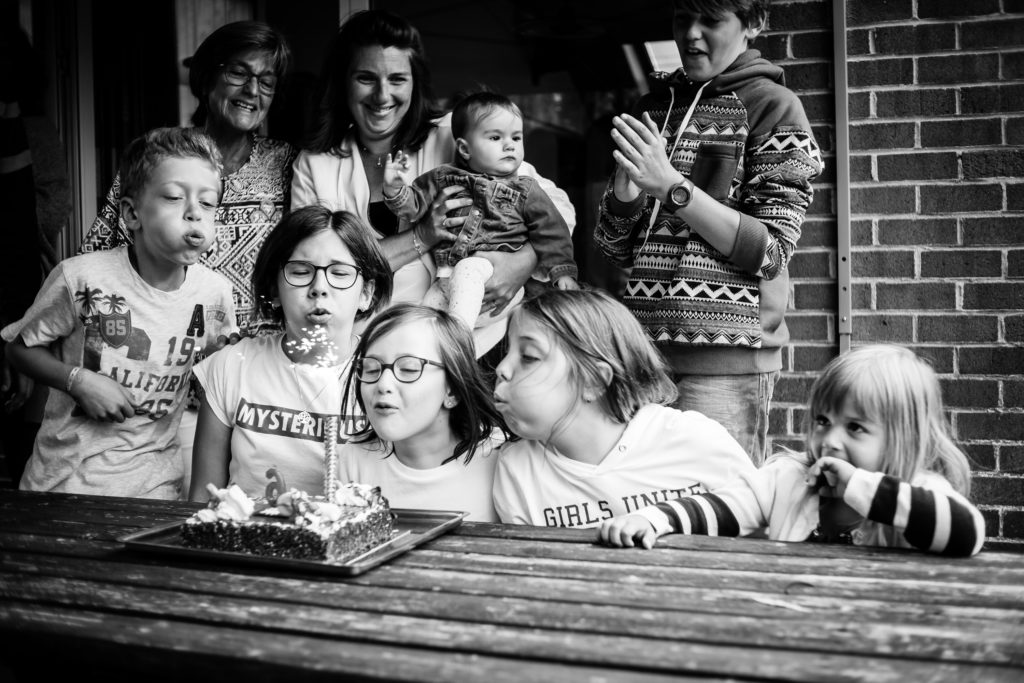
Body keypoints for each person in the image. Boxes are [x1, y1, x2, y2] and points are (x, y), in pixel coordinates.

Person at [594, 0, 823, 465]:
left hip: (726, 369)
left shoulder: (774, 107)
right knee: (647, 506)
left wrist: (672, 188)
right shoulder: (654, 107)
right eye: (682, 19)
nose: (692, 35)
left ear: (753, 24)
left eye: (711, 21)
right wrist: (624, 197)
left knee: (722, 511)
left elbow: (772, 252)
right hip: (643, 357)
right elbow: (616, 249)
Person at [290, 9, 576, 353]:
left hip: (475, 346)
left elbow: (555, 206)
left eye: (397, 79)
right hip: (361, 349)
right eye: (366, 78)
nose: (382, 96)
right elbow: (313, 265)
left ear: (415, 83)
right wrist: (421, 236)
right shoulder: (316, 164)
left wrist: (521, 262)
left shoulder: (451, 136)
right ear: (342, 82)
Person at [1, 127, 237, 498]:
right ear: (130, 213)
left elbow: (219, 381)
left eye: (208, 204)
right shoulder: (80, 276)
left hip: (154, 488)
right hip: (61, 483)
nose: (195, 214)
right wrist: (77, 380)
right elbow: (17, 348)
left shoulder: (216, 295)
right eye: (175, 197)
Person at [596, 345, 985, 557]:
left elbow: (968, 534)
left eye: (855, 428)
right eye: (822, 421)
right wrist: (653, 519)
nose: (830, 440)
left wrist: (860, 486)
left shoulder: (920, 490)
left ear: (904, 437)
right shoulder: (787, 479)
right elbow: (721, 508)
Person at [81, 20, 296, 334]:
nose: (252, 90)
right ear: (208, 77)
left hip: (255, 361)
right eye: (238, 73)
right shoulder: (157, 156)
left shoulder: (287, 162)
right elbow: (97, 260)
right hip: (163, 353)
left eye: (267, 81)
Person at [491, 289, 755, 528]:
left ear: (594, 381)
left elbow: (761, 513)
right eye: (507, 351)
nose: (501, 368)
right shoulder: (517, 471)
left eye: (528, 356)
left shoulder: (694, 439)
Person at [189, 206, 392, 501]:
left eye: (339, 273)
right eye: (300, 272)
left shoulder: (387, 378)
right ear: (273, 289)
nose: (319, 288)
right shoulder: (230, 366)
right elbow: (203, 498)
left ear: (366, 293)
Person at [382, 91, 579, 344]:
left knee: (468, 269)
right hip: (447, 281)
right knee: (424, 322)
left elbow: (552, 229)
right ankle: (439, 354)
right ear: (465, 148)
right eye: (496, 137)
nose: (510, 145)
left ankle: (458, 340)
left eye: (516, 138)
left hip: (491, 277)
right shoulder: (443, 177)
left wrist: (562, 272)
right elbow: (414, 207)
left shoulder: (526, 189)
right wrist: (395, 190)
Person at [337, 303, 510, 521]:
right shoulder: (354, 461)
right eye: (371, 369)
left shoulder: (500, 456)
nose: (383, 384)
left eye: (408, 369)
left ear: (453, 390)